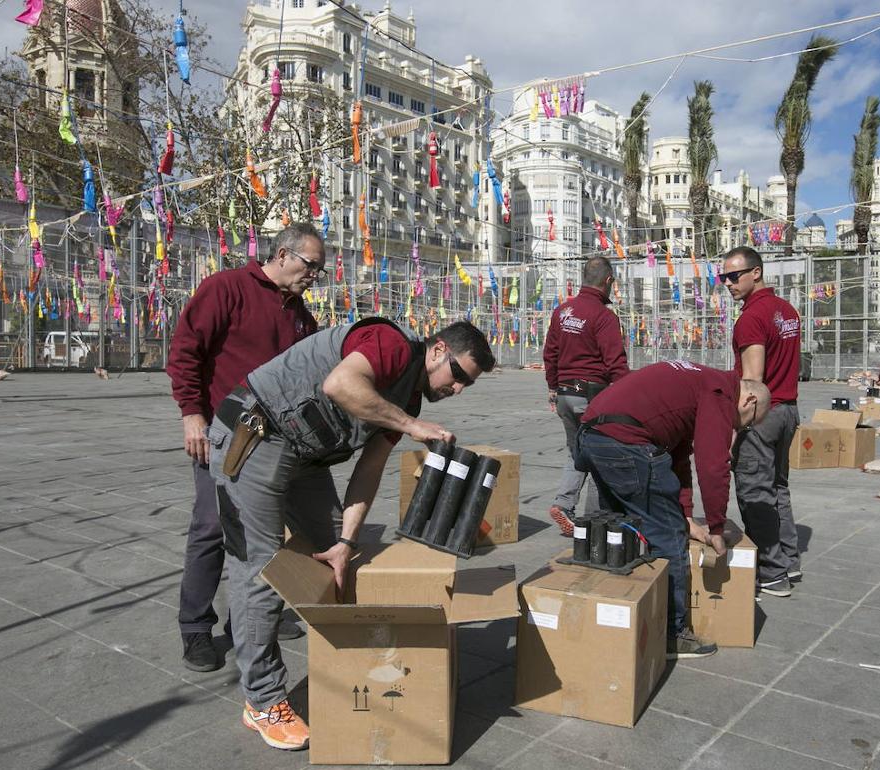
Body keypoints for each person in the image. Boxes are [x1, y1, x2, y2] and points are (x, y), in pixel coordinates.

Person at [207, 319, 494, 751]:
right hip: (254, 439)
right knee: (263, 571)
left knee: (326, 560)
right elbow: (340, 385)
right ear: (437, 350)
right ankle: (262, 700)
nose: (457, 390)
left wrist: (346, 544)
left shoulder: (407, 400)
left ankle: (343, 661)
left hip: (302, 458)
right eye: (458, 376)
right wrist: (414, 428)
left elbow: (369, 470)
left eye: (466, 386)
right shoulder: (391, 345)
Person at [166, 223, 323, 673]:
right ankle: (196, 628)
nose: (313, 276)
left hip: (274, 442)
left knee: (264, 537)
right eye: (310, 265)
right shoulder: (226, 288)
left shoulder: (299, 314)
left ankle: (246, 621)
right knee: (213, 529)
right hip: (222, 433)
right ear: (282, 254)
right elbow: (185, 352)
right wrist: (192, 414)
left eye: (319, 270)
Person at [576, 361, 770, 659]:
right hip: (626, 441)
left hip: (593, 436)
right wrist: (716, 528)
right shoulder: (720, 393)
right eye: (747, 423)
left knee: (622, 532)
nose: (739, 428)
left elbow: (678, 455)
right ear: (750, 400)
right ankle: (671, 633)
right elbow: (713, 465)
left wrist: (688, 515)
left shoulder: (700, 381)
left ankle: (616, 619)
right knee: (668, 536)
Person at [722, 246, 803, 598]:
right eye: (724, 277)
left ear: (756, 272)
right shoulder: (786, 311)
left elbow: (753, 382)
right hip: (788, 411)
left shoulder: (752, 317)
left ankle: (771, 572)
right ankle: (787, 559)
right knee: (778, 488)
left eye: (734, 276)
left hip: (762, 414)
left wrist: (734, 429)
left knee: (755, 492)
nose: (728, 283)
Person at [542, 255, 630, 536]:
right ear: (608, 281)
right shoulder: (604, 317)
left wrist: (553, 388)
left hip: (566, 395)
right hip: (593, 396)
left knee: (575, 451)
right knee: (601, 455)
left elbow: (550, 354)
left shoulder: (563, 311)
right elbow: (615, 363)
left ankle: (564, 505)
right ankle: (595, 521)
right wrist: (630, 398)